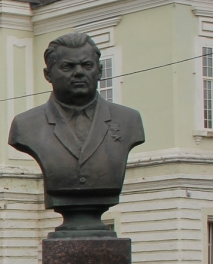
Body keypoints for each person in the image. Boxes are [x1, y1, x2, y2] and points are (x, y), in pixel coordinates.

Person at [8, 32, 144, 236]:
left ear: (100, 71)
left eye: (87, 65)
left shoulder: (129, 120)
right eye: (68, 66)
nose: (79, 72)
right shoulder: (26, 126)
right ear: (48, 75)